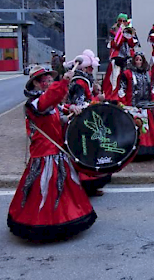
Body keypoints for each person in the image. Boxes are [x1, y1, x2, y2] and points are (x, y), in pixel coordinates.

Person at [8, 66, 96, 242]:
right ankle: (46, 225)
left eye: (50, 79)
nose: (48, 81)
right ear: (36, 83)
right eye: (45, 79)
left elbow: (57, 116)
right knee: (45, 189)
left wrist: (71, 110)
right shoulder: (35, 103)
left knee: (64, 187)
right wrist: (64, 81)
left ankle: (66, 218)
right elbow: (49, 101)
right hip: (44, 154)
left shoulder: (47, 102)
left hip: (56, 152)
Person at [66, 50, 111, 196]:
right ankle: (85, 186)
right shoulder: (79, 82)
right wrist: (98, 99)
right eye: (90, 68)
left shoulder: (85, 81)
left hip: (87, 120)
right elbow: (81, 104)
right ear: (84, 68)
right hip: (82, 122)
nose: (92, 70)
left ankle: (92, 185)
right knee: (85, 154)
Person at [119, 53, 154, 159]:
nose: (138, 62)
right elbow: (122, 90)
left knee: (147, 128)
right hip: (133, 107)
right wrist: (124, 104)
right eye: (137, 60)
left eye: (140, 60)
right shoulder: (127, 74)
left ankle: (149, 150)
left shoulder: (147, 73)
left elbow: (151, 88)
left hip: (146, 106)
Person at [102, 13, 138, 101]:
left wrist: (128, 35)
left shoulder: (130, 30)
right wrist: (120, 34)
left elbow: (133, 44)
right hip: (117, 59)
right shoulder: (112, 31)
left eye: (124, 21)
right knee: (115, 79)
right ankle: (114, 97)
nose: (122, 22)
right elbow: (114, 44)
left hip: (128, 59)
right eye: (120, 20)